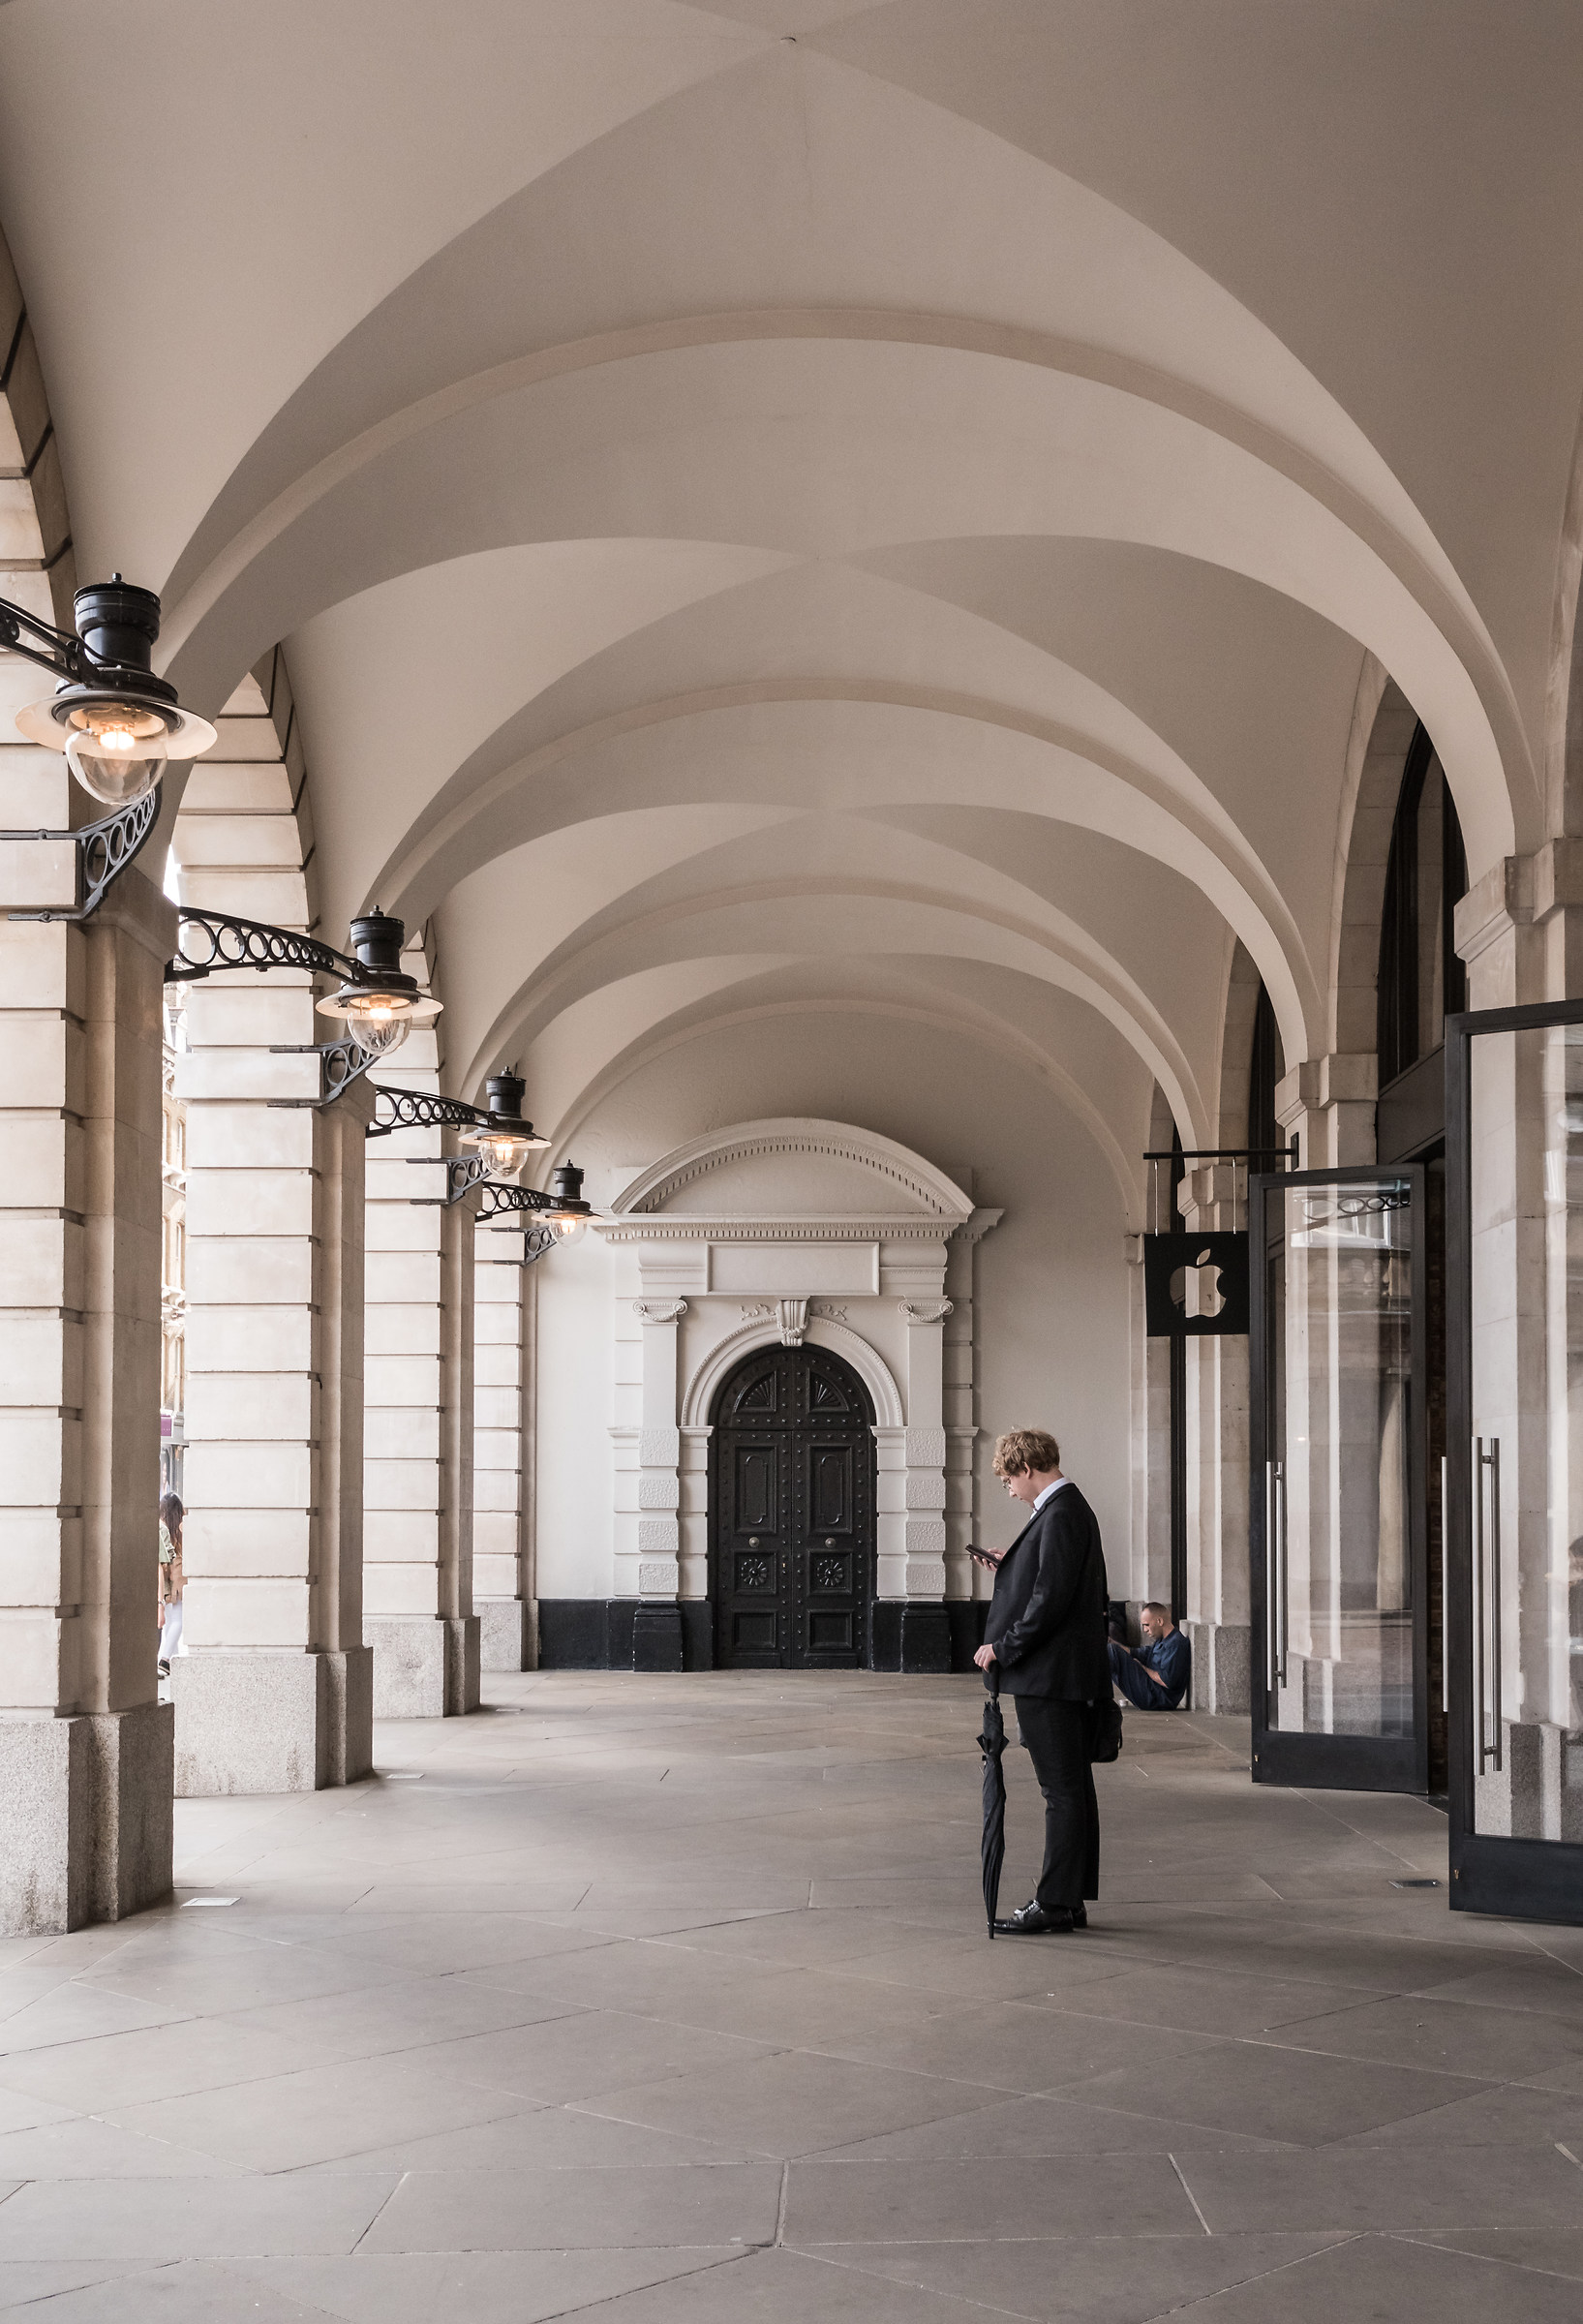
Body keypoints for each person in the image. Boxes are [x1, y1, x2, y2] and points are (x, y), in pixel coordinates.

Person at [970, 1428, 1109, 1936]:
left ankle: (1054, 1903)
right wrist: (1009, 1565)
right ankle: (1069, 1900)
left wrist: (1002, 1648)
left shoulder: (1062, 1512)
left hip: (1051, 1676)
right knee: (1072, 1789)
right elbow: (1049, 1583)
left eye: (1009, 1478)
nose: (1008, 1488)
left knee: (1062, 1791)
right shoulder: (1061, 1511)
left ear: (1027, 1468)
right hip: (1059, 1674)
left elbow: (1050, 1600)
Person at [1109, 1601, 1190, 1710]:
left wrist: (1143, 1668)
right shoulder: (1162, 1640)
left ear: (1160, 1621)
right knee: (1111, 1648)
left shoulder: (1176, 1644)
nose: (1145, 1630)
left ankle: (1094, 1696)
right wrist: (1113, 1642)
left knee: (1112, 1651)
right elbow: (1137, 1653)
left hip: (1158, 1698)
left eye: (1147, 1625)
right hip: (1150, 1691)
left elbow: (1167, 1681)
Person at [158, 1493, 184, 1678]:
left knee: (170, 1619)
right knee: (178, 1618)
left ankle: (172, 1658)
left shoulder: (162, 1527)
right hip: (181, 1575)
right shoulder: (182, 1527)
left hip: (167, 1576)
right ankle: (166, 1659)